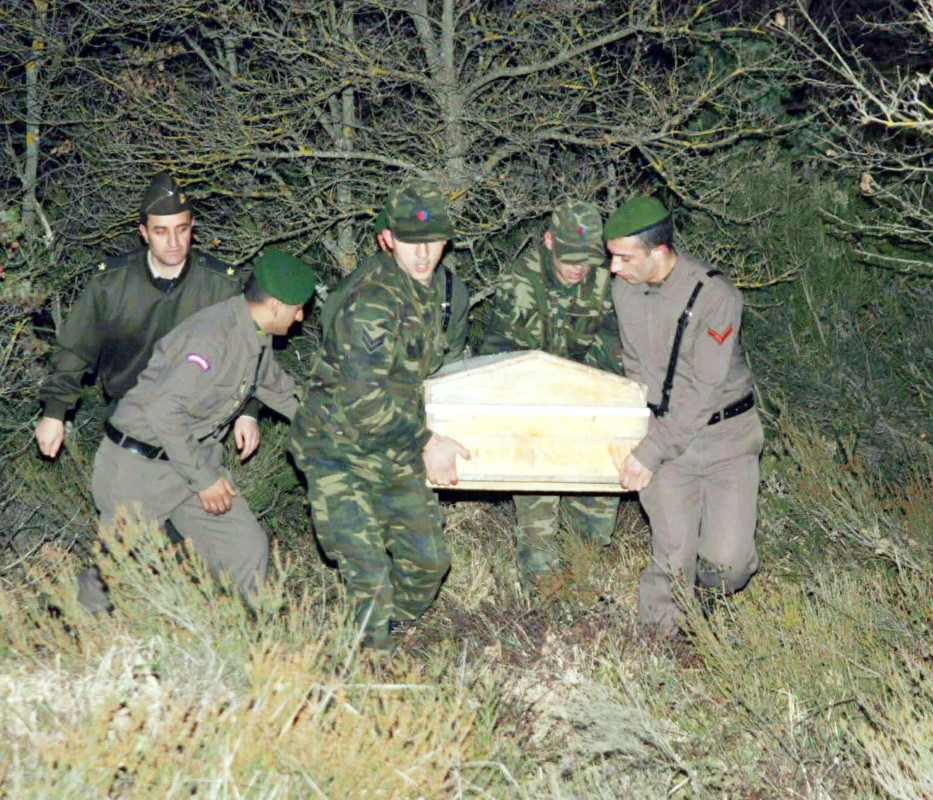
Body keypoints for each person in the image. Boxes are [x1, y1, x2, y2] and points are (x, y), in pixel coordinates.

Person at [288, 179, 469, 650]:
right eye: (410, 241)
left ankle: (392, 629)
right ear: (388, 238)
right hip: (336, 449)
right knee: (369, 576)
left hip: (390, 441)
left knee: (429, 563)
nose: (423, 253)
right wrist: (427, 442)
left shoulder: (436, 292)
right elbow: (362, 400)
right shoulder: (373, 300)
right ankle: (366, 670)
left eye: (433, 241)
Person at [81, 249, 316, 610]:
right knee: (112, 573)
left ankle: (244, 632)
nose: (300, 317)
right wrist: (205, 480)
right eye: (297, 308)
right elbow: (164, 411)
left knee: (243, 547)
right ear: (274, 305)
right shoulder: (213, 336)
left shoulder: (256, 334)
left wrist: (335, 428)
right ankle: (75, 632)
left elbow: (280, 391)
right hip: (138, 468)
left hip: (190, 461)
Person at [605, 196, 764, 636]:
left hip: (726, 439)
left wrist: (650, 452)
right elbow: (635, 369)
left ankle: (707, 607)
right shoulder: (624, 290)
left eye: (624, 257)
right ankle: (657, 646)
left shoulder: (714, 296)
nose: (613, 268)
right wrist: (639, 435)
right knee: (672, 559)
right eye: (611, 256)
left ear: (659, 252)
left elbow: (703, 389)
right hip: (666, 438)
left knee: (729, 564)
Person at [35, 171, 261, 462]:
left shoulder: (221, 286)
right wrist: (54, 412)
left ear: (193, 227)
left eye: (181, 229)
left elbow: (248, 353)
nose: (174, 242)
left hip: (199, 427)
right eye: (161, 231)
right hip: (130, 421)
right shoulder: (111, 284)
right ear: (144, 233)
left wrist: (247, 412)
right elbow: (75, 350)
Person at [479, 199, 623, 592]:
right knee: (539, 514)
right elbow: (498, 357)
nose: (578, 267)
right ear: (548, 241)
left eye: (587, 257)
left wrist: (586, 400)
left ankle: (582, 585)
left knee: (596, 512)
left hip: (589, 404)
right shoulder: (521, 283)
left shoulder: (608, 282)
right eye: (569, 256)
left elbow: (614, 355)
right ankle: (542, 596)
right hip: (531, 409)